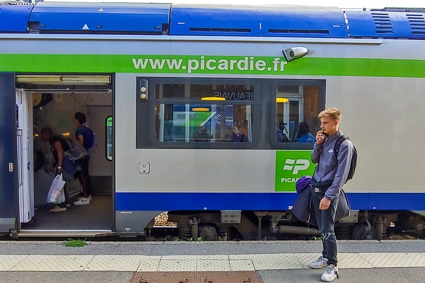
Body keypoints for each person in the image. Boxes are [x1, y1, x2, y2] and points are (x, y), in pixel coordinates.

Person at [308, 108, 355, 282]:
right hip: (317, 187)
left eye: (325, 123)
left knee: (327, 228)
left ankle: (333, 266)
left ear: (336, 122)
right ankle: (325, 257)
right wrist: (318, 144)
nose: (322, 126)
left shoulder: (344, 145)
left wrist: (329, 196)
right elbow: (314, 159)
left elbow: (341, 175)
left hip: (328, 191)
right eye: (321, 123)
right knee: (322, 226)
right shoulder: (325, 140)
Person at [40, 127, 80, 212]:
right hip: (67, 163)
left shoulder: (54, 140)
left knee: (59, 184)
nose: (41, 137)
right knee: (63, 183)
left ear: (46, 134)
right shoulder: (56, 138)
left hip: (64, 163)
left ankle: (61, 205)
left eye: (42, 135)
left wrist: (59, 166)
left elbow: (60, 151)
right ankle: (66, 202)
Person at [73, 112, 93, 205]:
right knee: (86, 174)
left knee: (82, 175)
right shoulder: (88, 130)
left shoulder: (79, 130)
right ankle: (88, 195)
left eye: (74, 119)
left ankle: (85, 196)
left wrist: (75, 152)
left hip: (81, 155)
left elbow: (80, 141)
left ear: (77, 120)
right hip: (87, 153)